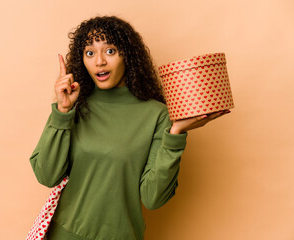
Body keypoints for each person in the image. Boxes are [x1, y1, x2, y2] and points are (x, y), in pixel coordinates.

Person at [29, 15, 229, 240]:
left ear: (128, 56)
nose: (99, 61)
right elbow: (46, 175)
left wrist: (176, 134)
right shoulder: (76, 104)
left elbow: (153, 198)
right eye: (90, 52)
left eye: (110, 51)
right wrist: (62, 112)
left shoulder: (156, 114)